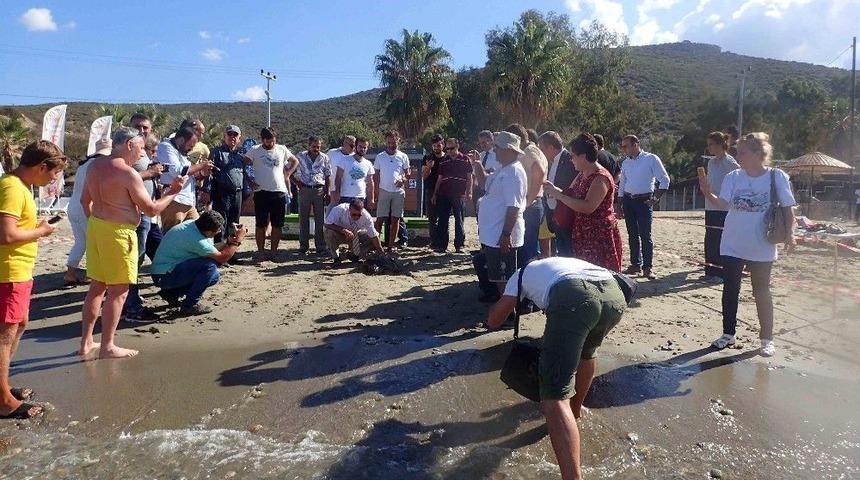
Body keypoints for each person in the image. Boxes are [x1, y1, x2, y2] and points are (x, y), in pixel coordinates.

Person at [485, 256, 626, 480]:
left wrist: (492, 310)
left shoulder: (521, 272)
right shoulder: (562, 262)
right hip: (613, 295)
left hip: (575, 297)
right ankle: (576, 411)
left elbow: (495, 320)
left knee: (553, 395)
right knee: (587, 352)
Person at [80, 127, 186, 360]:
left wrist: (99, 223)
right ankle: (108, 345)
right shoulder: (127, 173)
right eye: (140, 148)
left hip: (97, 228)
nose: (142, 154)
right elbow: (151, 209)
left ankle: (86, 342)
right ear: (129, 144)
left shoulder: (94, 166)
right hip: (119, 233)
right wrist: (173, 192)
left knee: (97, 286)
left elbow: (84, 201)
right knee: (119, 291)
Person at [698, 132, 796, 357]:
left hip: (762, 244)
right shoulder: (733, 176)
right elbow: (723, 204)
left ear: (758, 154)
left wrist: (790, 233)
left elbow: (787, 208)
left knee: (761, 291)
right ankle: (728, 333)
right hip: (732, 243)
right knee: (730, 288)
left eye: (742, 152)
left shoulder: (776, 176)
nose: (738, 156)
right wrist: (707, 192)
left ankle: (766, 339)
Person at [0, 140, 67, 419]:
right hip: (9, 271)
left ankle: (2, 386)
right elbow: (7, 234)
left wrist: (40, 228)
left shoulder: (19, 187)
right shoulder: (13, 188)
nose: (53, 178)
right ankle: (3, 401)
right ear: (41, 166)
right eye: (53, 173)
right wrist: (40, 232)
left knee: (19, 325)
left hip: (20, 270)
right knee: (5, 334)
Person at [544, 134, 623, 272]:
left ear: (583, 156)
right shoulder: (582, 174)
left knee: (597, 276)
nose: (571, 159)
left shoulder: (600, 177)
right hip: (582, 234)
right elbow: (572, 195)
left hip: (598, 237)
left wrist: (559, 196)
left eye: (573, 156)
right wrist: (554, 190)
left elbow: (588, 207)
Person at [151, 211, 245, 316]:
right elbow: (222, 258)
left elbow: (210, 249)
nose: (219, 232)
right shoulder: (195, 239)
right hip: (164, 276)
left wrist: (227, 242)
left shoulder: (194, 225)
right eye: (217, 230)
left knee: (213, 276)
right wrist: (237, 241)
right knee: (209, 267)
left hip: (166, 271)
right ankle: (190, 305)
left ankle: (172, 293)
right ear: (209, 232)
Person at [471, 131, 528, 301]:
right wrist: (477, 165)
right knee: (498, 276)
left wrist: (506, 235)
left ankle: (508, 314)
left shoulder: (514, 173)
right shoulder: (504, 169)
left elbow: (514, 207)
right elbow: (484, 183)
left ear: (509, 150)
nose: (494, 151)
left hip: (502, 236)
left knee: (505, 278)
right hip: (494, 235)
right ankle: (505, 310)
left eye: (498, 147)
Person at [124, 116, 167, 322]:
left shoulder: (142, 152)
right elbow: (122, 178)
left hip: (147, 216)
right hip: (135, 216)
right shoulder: (127, 154)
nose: (142, 130)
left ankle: (129, 301)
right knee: (133, 262)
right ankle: (131, 306)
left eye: (145, 127)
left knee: (150, 256)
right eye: (137, 127)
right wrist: (150, 172)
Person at [618, 134, 670, 279]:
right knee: (632, 234)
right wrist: (619, 203)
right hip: (629, 200)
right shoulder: (625, 163)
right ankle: (635, 264)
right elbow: (622, 184)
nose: (624, 149)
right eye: (622, 146)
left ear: (635, 144)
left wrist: (655, 199)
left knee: (645, 235)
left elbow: (664, 179)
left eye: (625, 146)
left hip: (644, 201)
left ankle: (648, 267)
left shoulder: (651, 159)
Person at [243, 127, 299, 258]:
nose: (271, 143)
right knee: (260, 224)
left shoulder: (282, 149)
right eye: (268, 141)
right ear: (262, 139)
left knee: (277, 224)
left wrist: (288, 174)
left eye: (273, 140)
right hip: (261, 192)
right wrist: (249, 181)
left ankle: (274, 251)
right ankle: (261, 252)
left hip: (278, 191)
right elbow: (242, 164)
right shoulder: (255, 150)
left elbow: (295, 161)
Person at [64, 139, 111, 286]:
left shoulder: (83, 165)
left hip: (73, 206)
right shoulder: (100, 165)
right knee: (94, 243)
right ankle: (91, 274)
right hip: (87, 206)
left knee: (81, 242)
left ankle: (70, 274)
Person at [504, 124, 547, 264]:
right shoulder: (534, 150)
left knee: (527, 250)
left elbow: (539, 172)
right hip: (534, 203)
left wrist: (529, 201)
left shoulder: (529, 151)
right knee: (528, 248)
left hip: (531, 204)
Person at [158, 125, 213, 232]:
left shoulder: (182, 152)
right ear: (182, 140)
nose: (191, 149)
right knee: (172, 236)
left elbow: (189, 175)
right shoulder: (166, 147)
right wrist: (201, 165)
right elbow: (178, 171)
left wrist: (202, 173)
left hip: (188, 201)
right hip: (174, 201)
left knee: (197, 233)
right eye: (190, 145)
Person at [702, 131, 739, 281]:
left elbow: (737, 182)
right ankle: (710, 271)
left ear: (720, 144)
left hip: (724, 206)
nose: (709, 147)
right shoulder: (711, 162)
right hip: (710, 204)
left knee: (721, 238)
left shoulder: (730, 163)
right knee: (710, 237)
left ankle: (721, 272)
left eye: (711, 144)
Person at [207, 125, 247, 249]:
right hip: (221, 192)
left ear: (239, 138)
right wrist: (207, 191)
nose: (232, 137)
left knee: (234, 223)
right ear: (224, 136)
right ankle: (219, 253)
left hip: (238, 193)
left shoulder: (241, 155)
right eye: (229, 134)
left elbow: (244, 173)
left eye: (235, 135)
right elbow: (210, 172)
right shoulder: (217, 152)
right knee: (220, 223)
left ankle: (231, 253)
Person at [538, 131, 577, 257]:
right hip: (555, 214)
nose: (541, 152)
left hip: (566, 214)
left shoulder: (570, 160)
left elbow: (573, 189)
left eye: (542, 149)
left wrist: (556, 191)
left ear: (550, 147)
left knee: (568, 253)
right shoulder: (551, 161)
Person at [432, 138, 472, 253]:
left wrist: (469, 192)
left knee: (459, 219)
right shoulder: (444, 161)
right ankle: (442, 245)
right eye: (447, 149)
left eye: (452, 148)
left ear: (457, 146)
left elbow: (469, 177)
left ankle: (459, 245)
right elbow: (439, 179)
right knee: (443, 220)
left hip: (459, 194)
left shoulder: (465, 159)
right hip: (444, 193)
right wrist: (435, 194)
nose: (449, 151)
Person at [294, 135, 332, 254]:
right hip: (304, 189)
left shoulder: (324, 158)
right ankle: (303, 245)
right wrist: (296, 182)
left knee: (320, 219)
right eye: (314, 146)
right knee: (303, 219)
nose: (316, 149)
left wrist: (328, 191)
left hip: (319, 190)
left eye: (318, 147)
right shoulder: (300, 156)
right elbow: (288, 170)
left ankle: (320, 245)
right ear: (309, 146)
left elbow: (327, 175)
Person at [373, 131, 410, 252]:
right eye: (389, 142)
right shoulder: (380, 156)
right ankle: (376, 246)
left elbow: (408, 172)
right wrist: (376, 193)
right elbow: (376, 176)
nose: (391, 145)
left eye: (393, 142)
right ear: (386, 142)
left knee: (396, 219)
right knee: (380, 219)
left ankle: (390, 246)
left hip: (398, 192)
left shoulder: (403, 156)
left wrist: (403, 180)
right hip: (383, 190)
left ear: (398, 141)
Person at [324, 199, 385, 265]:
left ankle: (354, 255)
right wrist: (342, 230)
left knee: (374, 238)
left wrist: (382, 253)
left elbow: (373, 235)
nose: (356, 217)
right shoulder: (339, 209)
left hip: (356, 235)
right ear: (349, 209)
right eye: (354, 214)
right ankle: (336, 258)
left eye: (359, 215)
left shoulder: (367, 217)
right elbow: (327, 224)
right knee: (329, 232)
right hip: (339, 234)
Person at [332, 137, 375, 207]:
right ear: (355, 146)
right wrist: (337, 193)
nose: (362, 149)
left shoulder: (368, 164)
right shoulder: (344, 160)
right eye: (360, 146)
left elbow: (370, 183)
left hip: (361, 197)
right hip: (345, 196)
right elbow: (338, 178)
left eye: (365, 147)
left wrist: (371, 199)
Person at [421, 134, 446, 250]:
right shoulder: (427, 157)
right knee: (432, 218)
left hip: (445, 191)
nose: (437, 147)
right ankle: (434, 242)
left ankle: (443, 242)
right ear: (432, 146)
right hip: (430, 190)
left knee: (444, 217)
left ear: (443, 144)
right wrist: (428, 167)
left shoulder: (447, 158)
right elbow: (424, 176)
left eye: (439, 145)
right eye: (435, 145)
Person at [472, 130, 500, 216]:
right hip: (478, 190)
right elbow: (474, 174)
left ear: (491, 140)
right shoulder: (481, 155)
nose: (482, 145)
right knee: (479, 217)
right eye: (480, 143)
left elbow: (499, 172)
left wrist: (487, 171)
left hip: (491, 190)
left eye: (484, 142)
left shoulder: (498, 155)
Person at [326, 135, 355, 214]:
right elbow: (325, 168)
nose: (353, 148)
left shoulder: (355, 157)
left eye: (354, 145)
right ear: (345, 143)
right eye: (352, 145)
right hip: (333, 189)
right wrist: (327, 189)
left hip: (348, 191)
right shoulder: (332, 153)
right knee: (332, 212)